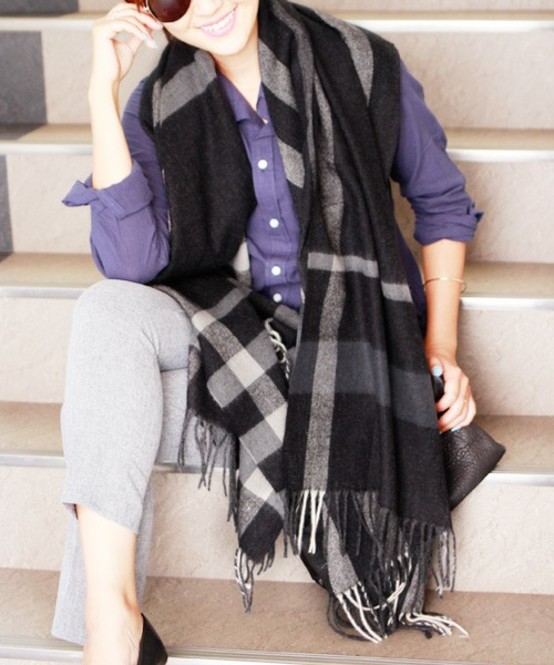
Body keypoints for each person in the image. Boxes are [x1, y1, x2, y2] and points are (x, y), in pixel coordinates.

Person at [52, 0, 482, 662]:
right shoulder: (157, 103)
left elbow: (442, 204)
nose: (207, 6)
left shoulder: (362, 64)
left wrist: (442, 347)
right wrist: (100, 94)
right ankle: (112, 621)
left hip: (351, 349)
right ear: (148, 12)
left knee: (108, 414)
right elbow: (131, 263)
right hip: (234, 333)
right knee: (106, 314)